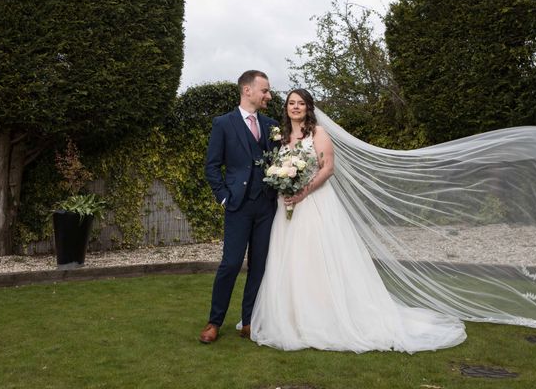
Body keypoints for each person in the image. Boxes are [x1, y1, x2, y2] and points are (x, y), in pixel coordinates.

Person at [249, 89, 467, 353]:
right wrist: (284, 184)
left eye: (301, 104)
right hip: (287, 211)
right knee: (292, 259)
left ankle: (325, 316)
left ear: (309, 107)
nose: (295, 108)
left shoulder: (317, 133)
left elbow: (328, 168)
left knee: (317, 259)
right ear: (286, 108)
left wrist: (302, 192)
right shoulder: (281, 137)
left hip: (315, 204)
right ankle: (292, 318)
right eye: (291, 103)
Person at [199, 70, 279, 344]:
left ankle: (249, 321)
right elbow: (212, 166)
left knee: (259, 266)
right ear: (248, 90)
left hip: (267, 206)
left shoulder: (271, 125)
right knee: (231, 264)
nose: (268, 95)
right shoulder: (223, 123)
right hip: (238, 206)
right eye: (264, 90)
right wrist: (223, 196)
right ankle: (214, 321)